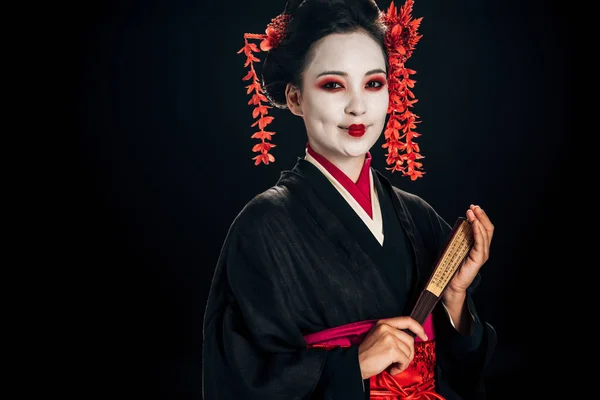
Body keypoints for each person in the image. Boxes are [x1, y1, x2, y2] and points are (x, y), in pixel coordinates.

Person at [202, 0, 497, 399]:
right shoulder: (263, 226)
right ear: (294, 98)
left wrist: (454, 299)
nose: (358, 106)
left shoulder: (417, 216)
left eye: (374, 83)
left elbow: (460, 372)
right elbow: (239, 379)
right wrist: (352, 365)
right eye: (333, 85)